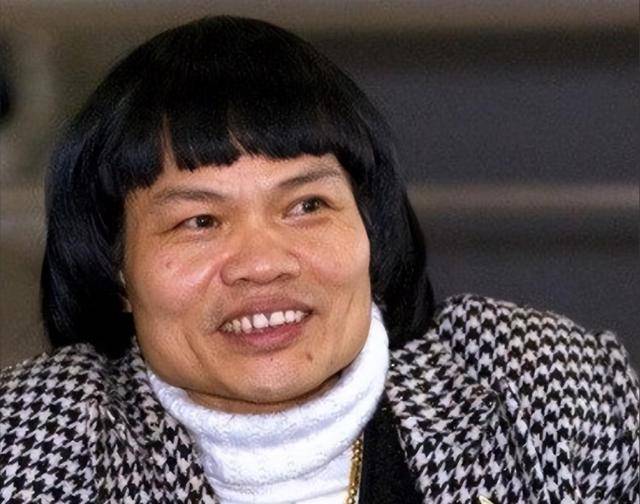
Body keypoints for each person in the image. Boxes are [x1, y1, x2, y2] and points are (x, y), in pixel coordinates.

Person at [0, 15, 638, 504]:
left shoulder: (547, 392)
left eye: (307, 205)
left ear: (369, 226)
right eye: (199, 221)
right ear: (116, 269)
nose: (262, 263)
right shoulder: (31, 442)